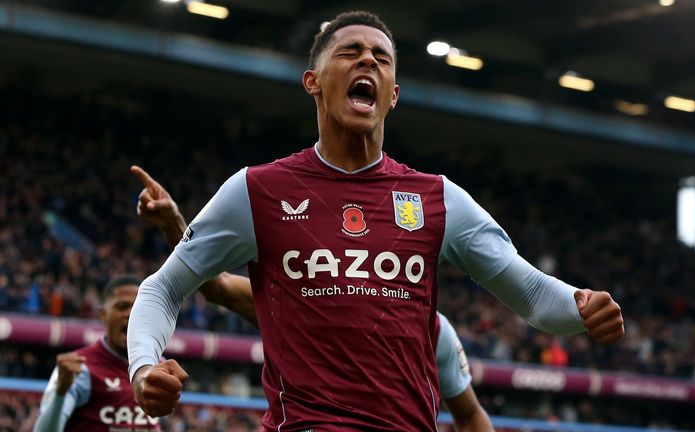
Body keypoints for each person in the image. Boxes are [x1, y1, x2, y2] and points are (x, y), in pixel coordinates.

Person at [127, 10, 624, 431]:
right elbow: (163, 289)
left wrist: (579, 306)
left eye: (381, 58)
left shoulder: (439, 198)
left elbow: (534, 296)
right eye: (350, 52)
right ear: (313, 82)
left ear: (392, 95)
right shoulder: (257, 191)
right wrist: (144, 369)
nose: (367, 59)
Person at [131, 165, 495, 431]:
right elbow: (216, 286)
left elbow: (469, 414)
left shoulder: (434, 333)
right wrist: (174, 225)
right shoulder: (299, 301)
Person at [34, 276, 161, 432]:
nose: (130, 314)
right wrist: (60, 392)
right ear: (103, 314)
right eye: (122, 306)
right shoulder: (80, 368)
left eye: (137, 308)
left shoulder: (158, 365)